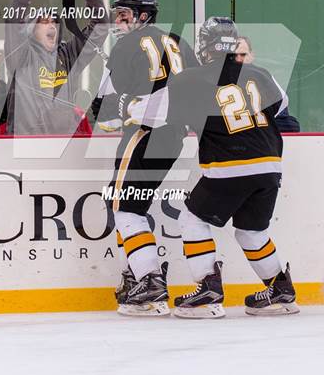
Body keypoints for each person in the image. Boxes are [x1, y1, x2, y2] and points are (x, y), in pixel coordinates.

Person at [125, 17, 299, 318]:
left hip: (229, 165)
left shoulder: (190, 79)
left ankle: (208, 291)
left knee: (192, 219)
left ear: (205, 47)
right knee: (251, 231)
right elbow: (281, 105)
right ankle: (281, 291)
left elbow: (150, 113)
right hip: (270, 166)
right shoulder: (261, 73)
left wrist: (127, 106)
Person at [93, 0, 198, 316]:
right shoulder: (179, 42)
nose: (118, 20)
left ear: (144, 16)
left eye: (124, 14)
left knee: (124, 208)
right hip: (174, 137)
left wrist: (113, 107)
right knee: (134, 207)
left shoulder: (126, 45)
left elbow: (102, 102)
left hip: (142, 134)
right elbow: (199, 87)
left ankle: (149, 281)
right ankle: (136, 276)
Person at [4, 0, 108, 135]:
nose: (52, 25)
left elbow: (100, 28)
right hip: (26, 146)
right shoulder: (22, 56)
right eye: (44, 22)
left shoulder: (68, 56)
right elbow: (13, 22)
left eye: (54, 22)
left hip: (62, 146)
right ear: (31, 30)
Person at [236, 36, 300, 132]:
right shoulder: (217, 79)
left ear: (251, 56)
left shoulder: (264, 77)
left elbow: (289, 125)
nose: (239, 59)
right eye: (233, 55)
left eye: (243, 54)